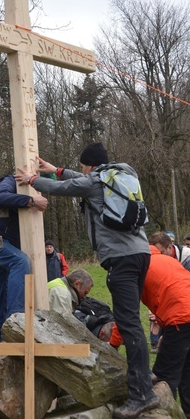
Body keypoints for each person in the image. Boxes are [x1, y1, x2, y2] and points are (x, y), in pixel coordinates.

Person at [15, 142, 159, 419]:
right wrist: (56, 169)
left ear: (91, 165)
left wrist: (32, 179)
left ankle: (143, 395)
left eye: (83, 166)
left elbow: (65, 188)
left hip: (121, 259)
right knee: (132, 322)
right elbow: (80, 181)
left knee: (128, 324)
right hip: (141, 254)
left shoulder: (94, 181)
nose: (81, 171)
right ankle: (144, 378)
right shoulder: (120, 176)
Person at [0, 174, 48, 342]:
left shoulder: (34, 186)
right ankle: (16, 320)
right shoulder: (11, 181)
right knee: (20, 262)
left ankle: (1, 345)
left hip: (6, 243)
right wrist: (31, 201)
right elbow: (0, 197)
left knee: (3, 298)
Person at [141, 245, 190, 418]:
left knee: (164, 377)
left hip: (181, 317)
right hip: (182, 314)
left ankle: (165, 414)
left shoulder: (136, 266)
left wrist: (114, 343)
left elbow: (126, 312)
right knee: (186, 372)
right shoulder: (167, 260)